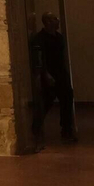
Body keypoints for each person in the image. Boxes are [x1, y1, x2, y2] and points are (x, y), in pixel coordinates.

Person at [30, 13, 77, 144]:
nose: (58, 21)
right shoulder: (39, 39)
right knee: (46, 102)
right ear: (47, 22)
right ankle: (36, 128)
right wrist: (45, 74)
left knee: (67, 98)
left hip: (60, 72)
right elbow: (39, 58)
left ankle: (66, 129)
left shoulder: (59, 38)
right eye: (55, 19)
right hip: (48, 74)